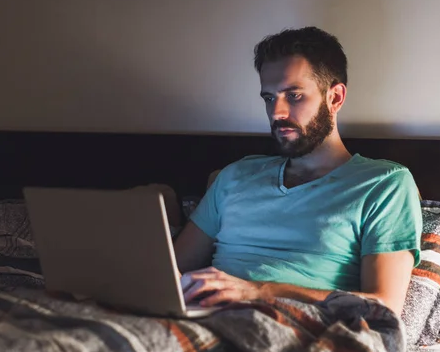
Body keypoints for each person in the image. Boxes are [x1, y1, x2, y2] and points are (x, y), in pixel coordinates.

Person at [174, 27, 422, 315]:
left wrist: (259, 292)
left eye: (293, 96)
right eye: (269, 98)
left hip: (297, 328)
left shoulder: (383, 185)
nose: (276, 112)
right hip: (203, 318)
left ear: (335, 98)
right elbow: (170, 272)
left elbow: (384, 305)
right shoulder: (235, 176)